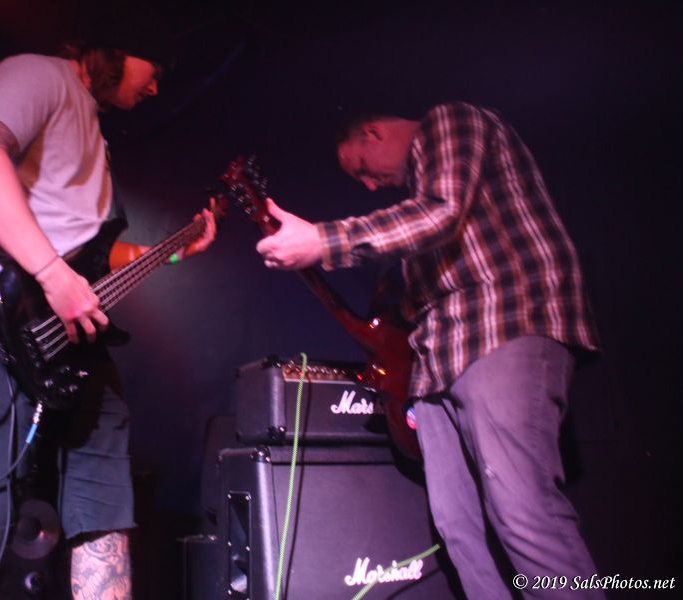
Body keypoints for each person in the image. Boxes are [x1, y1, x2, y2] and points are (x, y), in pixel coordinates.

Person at [0, 4, 216, 599]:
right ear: (121, 48)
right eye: (156, 68)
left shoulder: (95, 135)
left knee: (105, 516)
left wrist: (174, 251)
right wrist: (50, 274)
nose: (156, 87)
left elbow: (90, 255)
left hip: (74, 344)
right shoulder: (39, 74)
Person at [255, 101, 602, 599]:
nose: (369, 185)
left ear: (373, 132)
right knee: (460, 530)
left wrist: (323, 240)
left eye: (362, 168)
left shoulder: (451, 121)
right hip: (437, 365)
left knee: (523, 511)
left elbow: (440, 213)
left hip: (501, 329)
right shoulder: (416, 214)